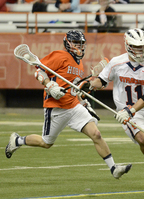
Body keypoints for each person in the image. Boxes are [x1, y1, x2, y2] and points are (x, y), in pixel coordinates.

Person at [5, 30, 132, 180]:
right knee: (46, 143)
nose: (80, 46)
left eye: (81, 44)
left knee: (96, 134)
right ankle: (17, 140)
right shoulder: (59, 55)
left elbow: (74, 91)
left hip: (73, 106)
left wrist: (84, 102)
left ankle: (113, 168)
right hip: (56, 107)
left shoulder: (80, 64)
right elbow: (39, 71)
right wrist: (50, 85)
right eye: (76, 43)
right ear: (68, 43)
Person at [89, 28, 144, 188]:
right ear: (128, 45)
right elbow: (101, 81)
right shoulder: (116, 62)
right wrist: (92, 83)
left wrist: (131, 110)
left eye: (143, 46)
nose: (141, 50)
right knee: (142, 139)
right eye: (136, 46)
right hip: (126, 110)